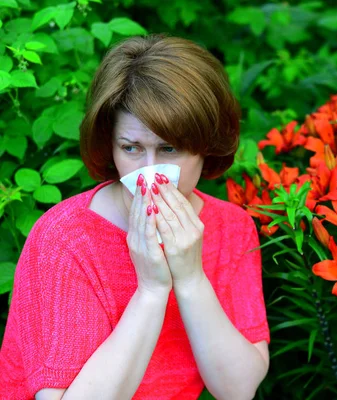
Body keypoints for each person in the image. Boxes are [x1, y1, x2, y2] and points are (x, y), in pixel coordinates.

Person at [0, 33, 270, 399]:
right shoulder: (66, 239)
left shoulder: (232, 228)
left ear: (207, 146)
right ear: (110, 145)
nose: (150, 171)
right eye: (131, 148)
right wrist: (151, 290)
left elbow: (237, 390)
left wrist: (190, 279)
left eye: (169, 148)